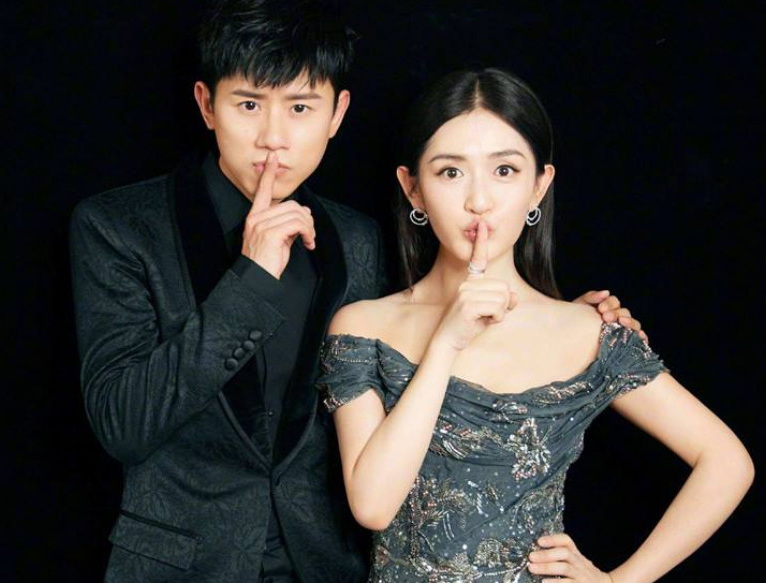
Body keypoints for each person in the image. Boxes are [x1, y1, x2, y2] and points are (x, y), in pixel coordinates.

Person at [69, 1, 642, 579]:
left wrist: (564, 326)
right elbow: (123, 425)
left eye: (300, 107)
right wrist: (249, 281)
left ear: (337, 113)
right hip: (178, 568)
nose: (273, 138)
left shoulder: (356, 239)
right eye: (248, 105)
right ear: (206, 105)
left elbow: (413, 345)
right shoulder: (120, 228)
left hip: (328, 564)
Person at [318, 68, 754, 583]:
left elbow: (727, 462)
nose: (479, 200)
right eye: (450, 172)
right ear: (412, 188)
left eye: (504, 170)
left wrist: (621, 581)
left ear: (538, 187)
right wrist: (446, 344)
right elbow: (373, 506)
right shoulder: (363, 328)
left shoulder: (588, 331)